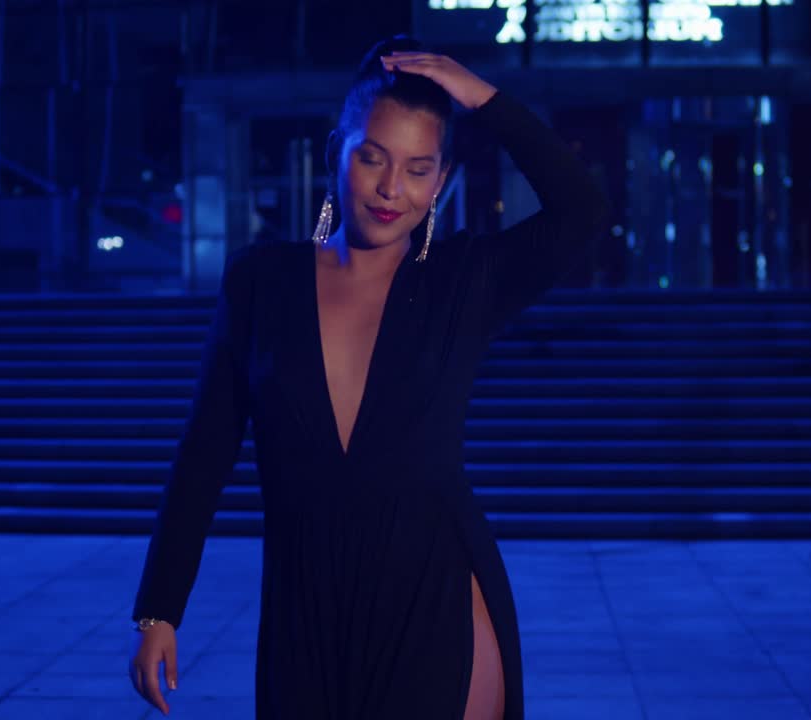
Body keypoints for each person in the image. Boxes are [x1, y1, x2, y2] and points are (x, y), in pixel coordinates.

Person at [127, 35, 609, 720]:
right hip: (305, 617)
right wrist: (160, 610)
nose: (391, 189)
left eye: (418, 168)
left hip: (435, 601)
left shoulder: (465, 280)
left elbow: (583, 209)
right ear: (336, 154)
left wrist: (483, 97)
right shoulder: (260, 283)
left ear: (441, 180)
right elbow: (204, 453)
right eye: (373, 158)